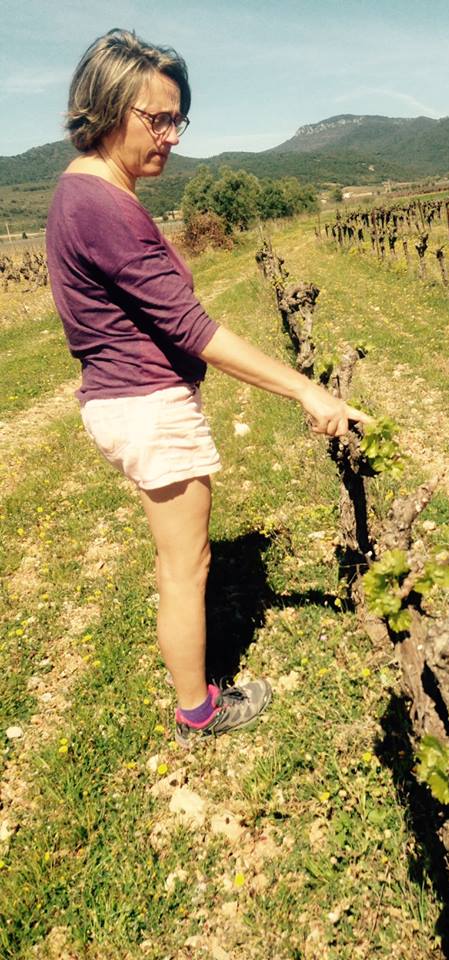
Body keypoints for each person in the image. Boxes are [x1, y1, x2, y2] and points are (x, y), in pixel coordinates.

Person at [45, 29, 369, 748]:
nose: (170, 136)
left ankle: (194, 696)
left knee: (177, 558)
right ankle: (199, 711)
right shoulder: (103, 204)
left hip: (121, 399)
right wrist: (306, 391)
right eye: (154, 118)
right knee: (186, 565)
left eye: (176, 119)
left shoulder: (84, 191)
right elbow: (195, 330)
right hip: (147, 405)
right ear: (104, 108)